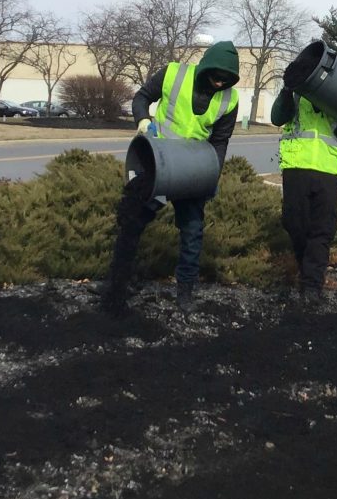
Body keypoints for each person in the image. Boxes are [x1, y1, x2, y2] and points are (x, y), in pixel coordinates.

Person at [101, 41, 241, 316]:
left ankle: (185, 291)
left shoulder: (230, 99)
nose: (219, 82)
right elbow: (141, 97)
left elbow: (221, 141)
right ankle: (115, 286)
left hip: (191, 171)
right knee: (133, 222)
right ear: (205, 68)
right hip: (158, 163)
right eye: (216, 75)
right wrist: (143, 121)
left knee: (192, 231)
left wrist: (212, 174)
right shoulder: (173, 74)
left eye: (226, 79)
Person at [271, 80, 337, 305]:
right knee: (295, 223)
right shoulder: (296, 94)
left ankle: (312, 286)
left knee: (322, 229)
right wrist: (287, 90)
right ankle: (306, 267)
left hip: (327, 169)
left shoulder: (335, 98)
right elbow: (277, 117)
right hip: (296, 166)